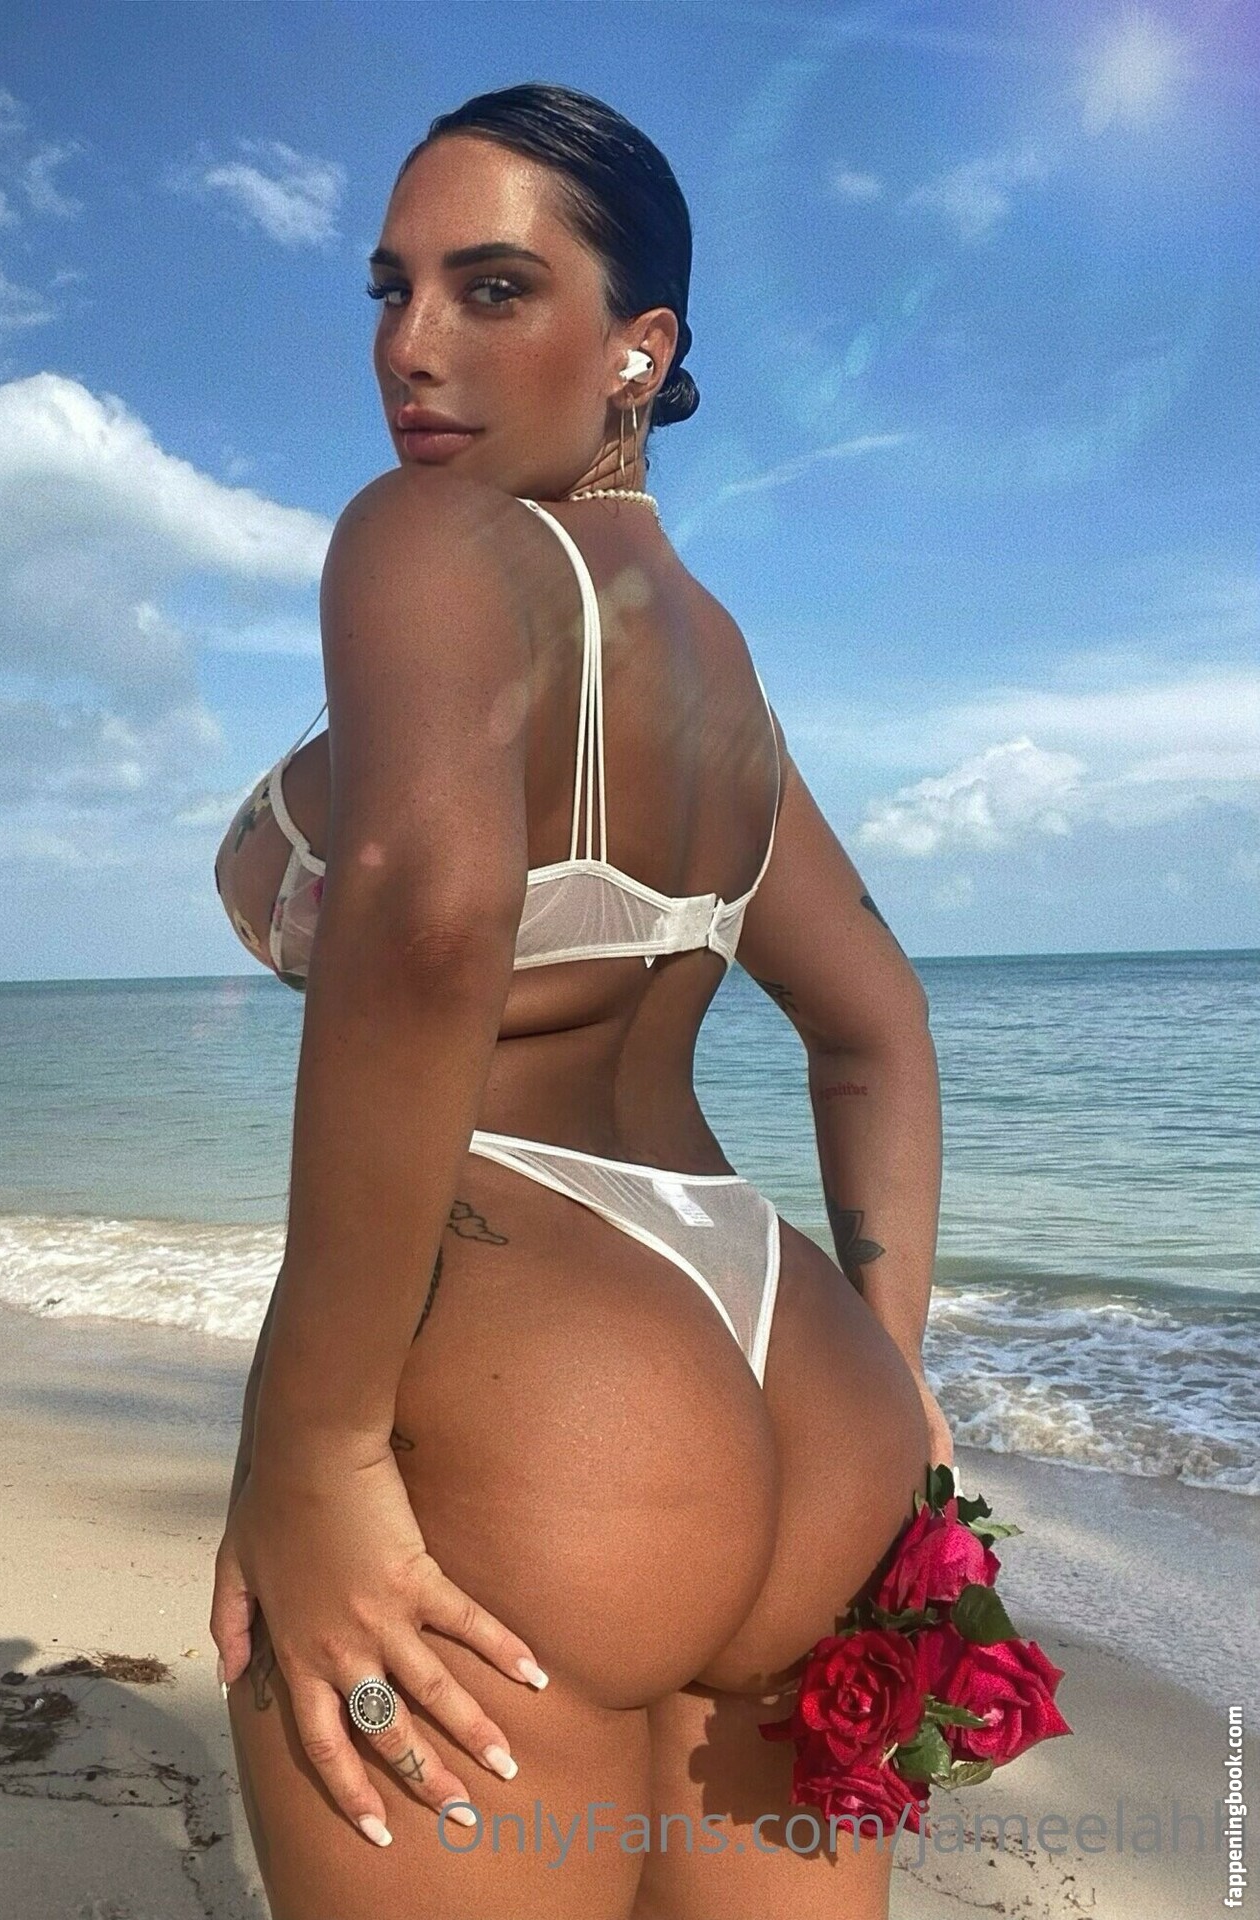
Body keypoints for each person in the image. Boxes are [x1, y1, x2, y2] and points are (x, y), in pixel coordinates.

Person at [209, 81, 951, 1920]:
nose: (412, 348)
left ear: (642, 347)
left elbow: (432, 921)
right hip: (810, 1391)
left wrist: (315, 1447)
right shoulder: (718, 668)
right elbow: (875, 1025)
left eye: (492, 289)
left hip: (552, 1411)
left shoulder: (427, 541)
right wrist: (903, 1379)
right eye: (389, 290)